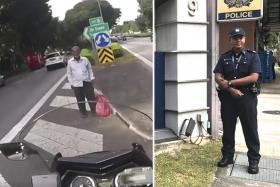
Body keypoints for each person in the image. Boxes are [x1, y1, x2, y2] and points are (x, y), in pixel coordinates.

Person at [213, 27, 261, 174]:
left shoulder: (253, 56)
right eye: (235, 38)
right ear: (230, 40)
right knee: (227, 129)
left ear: (244, 39)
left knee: (250, 129)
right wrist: (230, 89)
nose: (238, 40)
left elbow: (254, 77)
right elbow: (217, 77)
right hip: (228, 98)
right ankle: (227, 157)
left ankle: (253, 160)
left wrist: (231, 83)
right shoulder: (224, 57)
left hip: (247, 97)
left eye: (240, 37)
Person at [67, 46, 96, 118]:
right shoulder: (70, 62)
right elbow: (69, 74)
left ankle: (94, 111)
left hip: (87, 81)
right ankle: (83, 113)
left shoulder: (85, 59)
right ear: (72, 53)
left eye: (77, 51)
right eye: (74, 52)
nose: (76, 53)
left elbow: (89, 69)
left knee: (91, 97)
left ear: (79, 52)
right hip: (77, 84)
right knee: (80, 99)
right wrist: (71, 83)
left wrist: (92, 77)